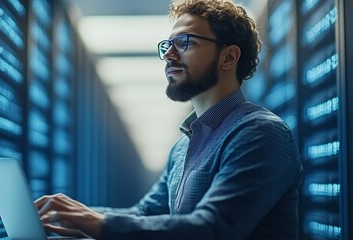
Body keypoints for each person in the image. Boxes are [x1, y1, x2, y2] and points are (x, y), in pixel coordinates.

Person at [34, 0, 303, 239]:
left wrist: (98, 223)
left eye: (185, 42)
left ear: (229, 57)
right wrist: (66, 217)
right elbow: (146, 214)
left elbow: (213, 229)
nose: (169, 55)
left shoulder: (260, 133)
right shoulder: (182, 147)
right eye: (168, 45)